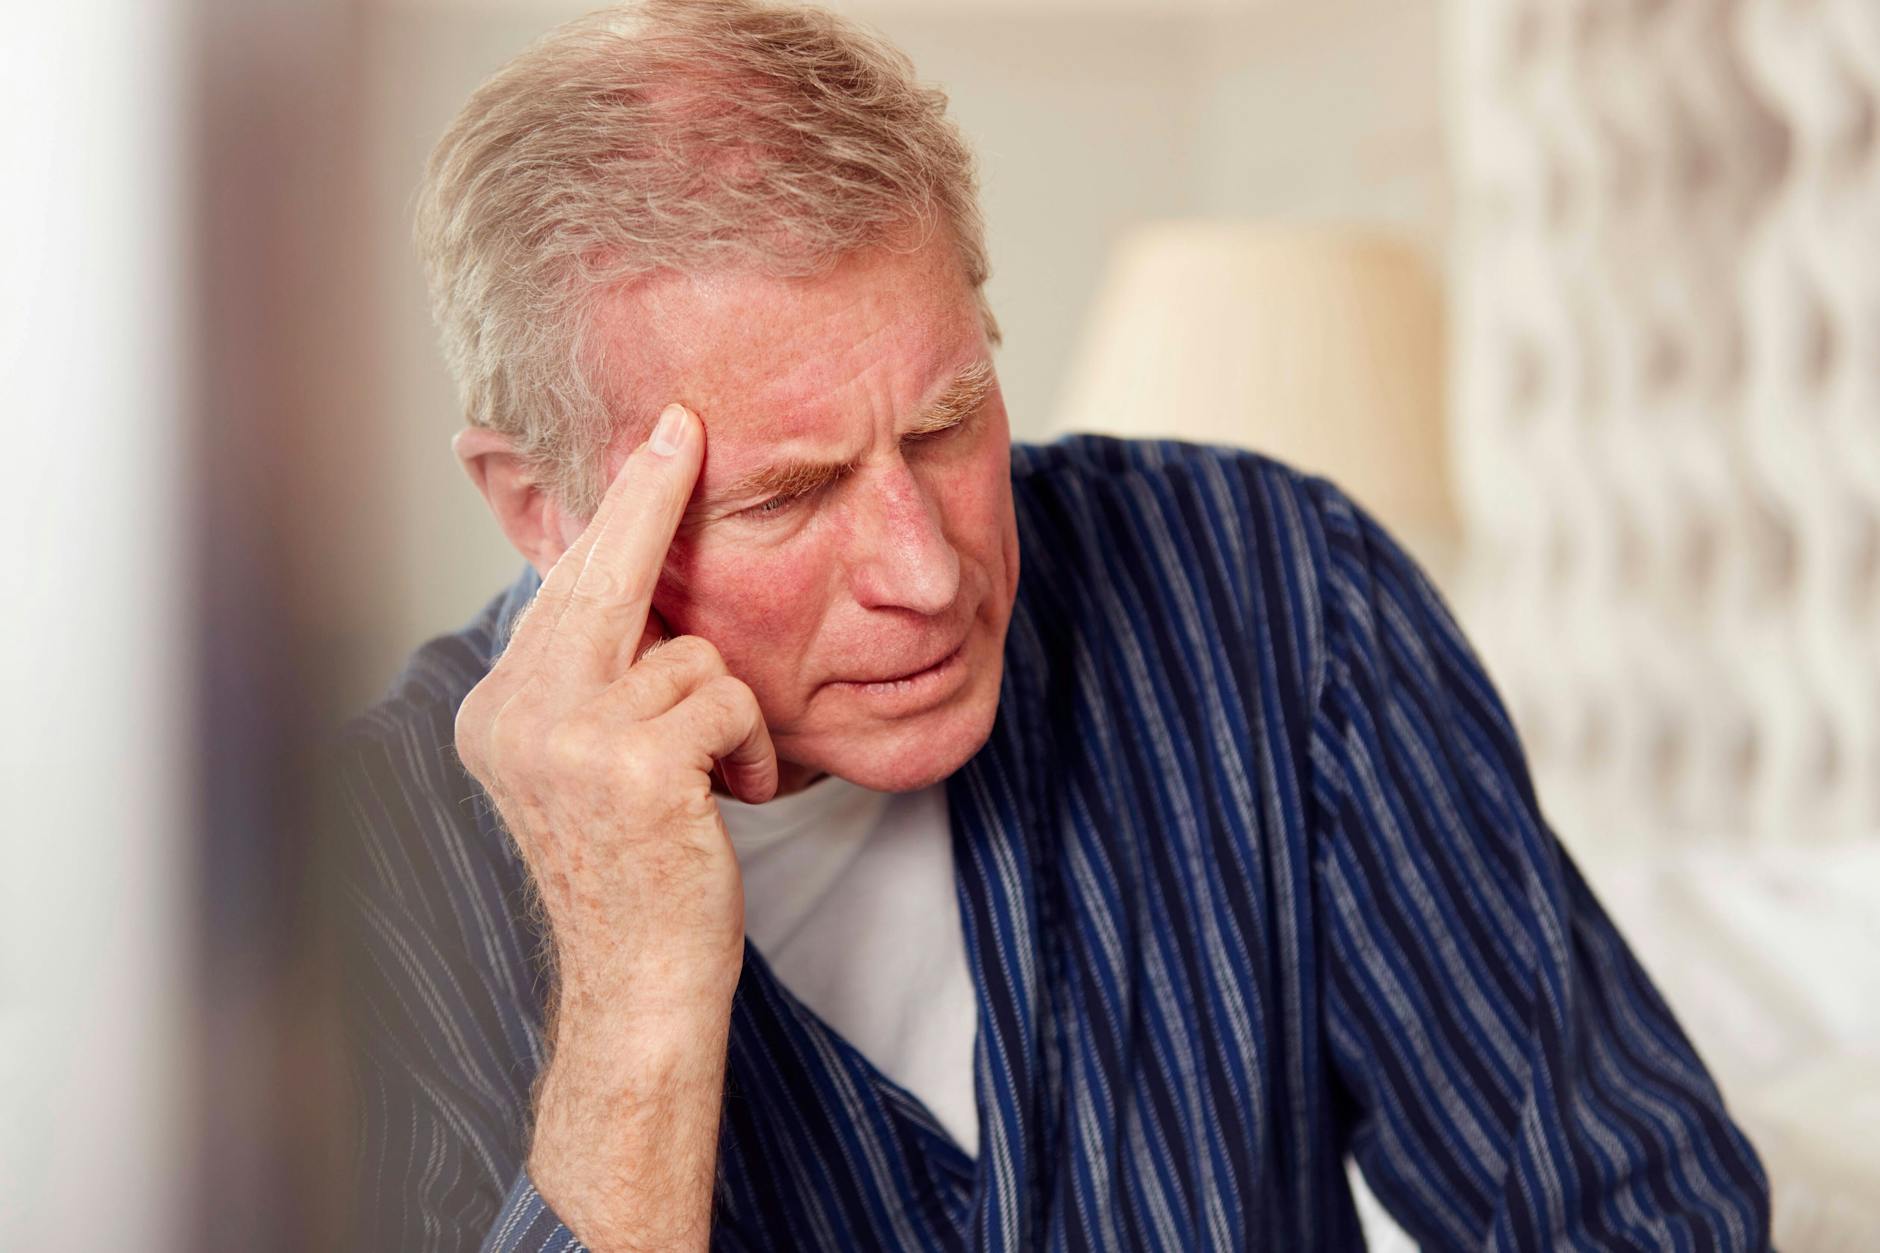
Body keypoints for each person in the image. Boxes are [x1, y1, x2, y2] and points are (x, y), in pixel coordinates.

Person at [331, 1, 1772, 1248]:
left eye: (950, 419)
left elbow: (1630, 1208)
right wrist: (638, 1001)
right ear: (539, 506)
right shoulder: (356, 879)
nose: (928, 569)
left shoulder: (1277, 593)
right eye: (786, 496)